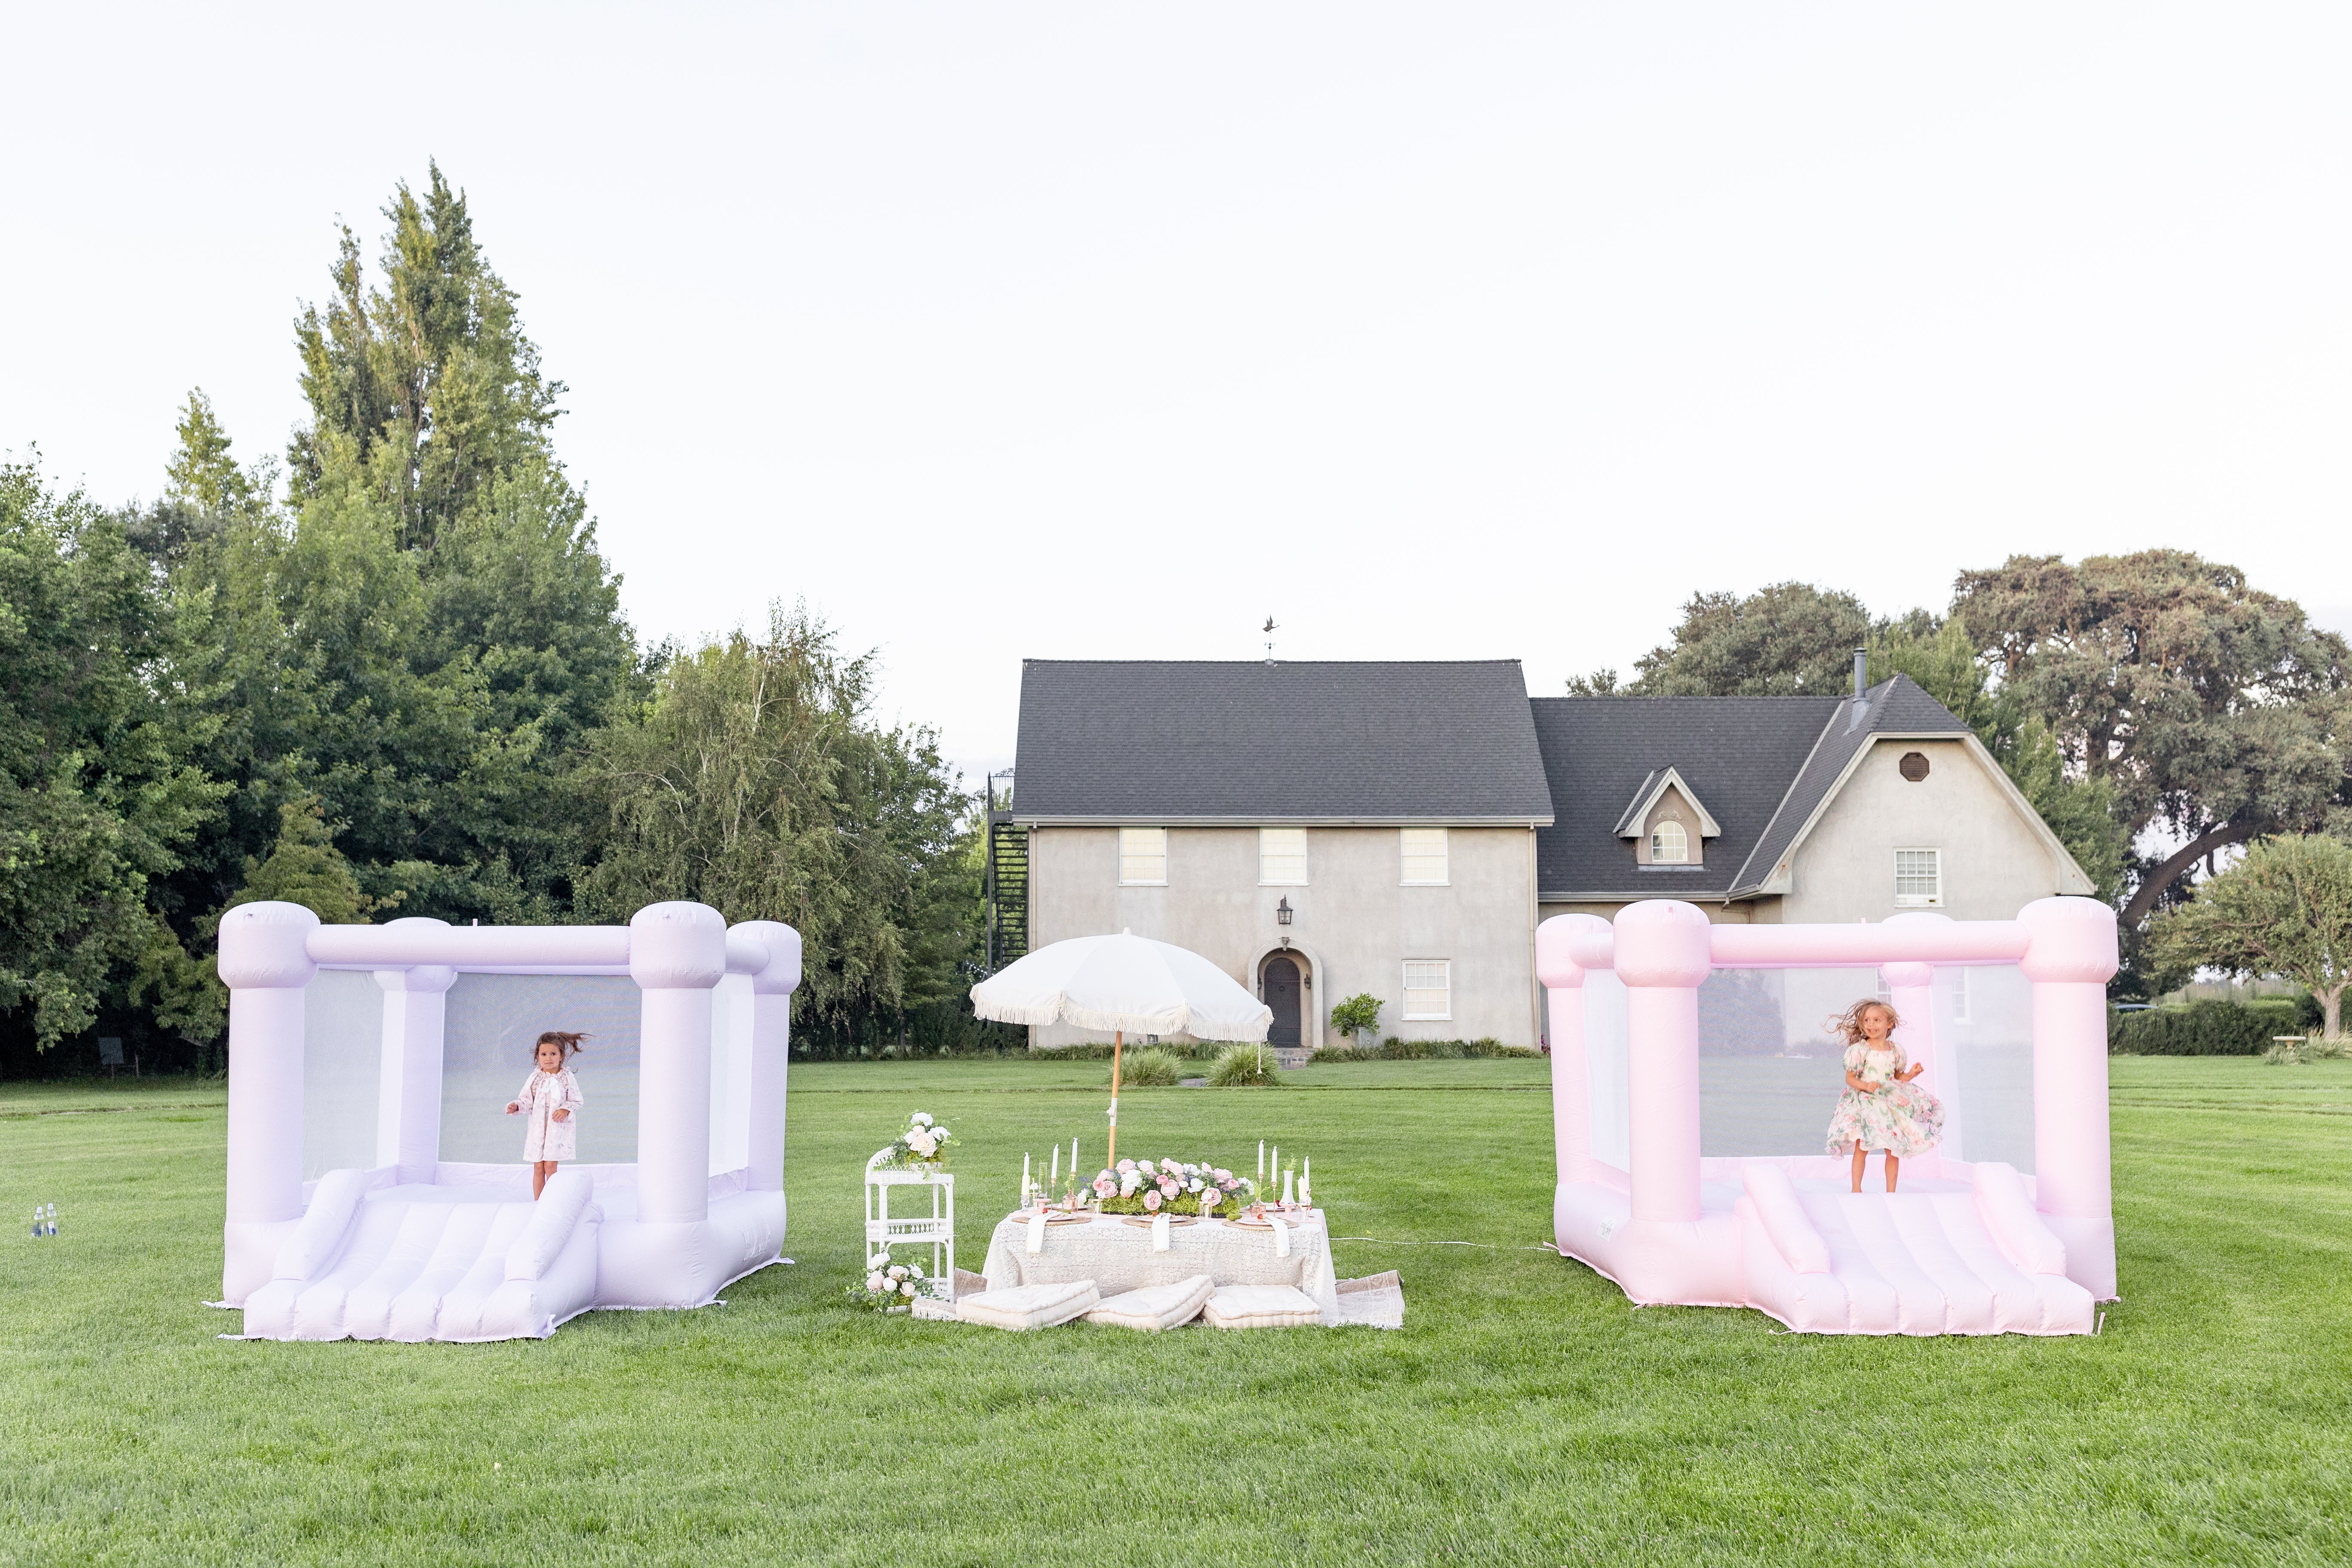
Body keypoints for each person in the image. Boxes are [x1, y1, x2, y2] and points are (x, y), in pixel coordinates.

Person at [1822, 1000, 1943, 1194]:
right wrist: (1866, 1086)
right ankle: (1856, 1189)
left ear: (1890, 1024)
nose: (1871, 1025)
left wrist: (1911, 1074)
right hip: (1866, 1104)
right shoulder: (1861, 1050)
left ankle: (1891, 1192)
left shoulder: (1895, 1051)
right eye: (1867, 1021)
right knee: (1862, 1147)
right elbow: (1850, 1078)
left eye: (1877, 1020)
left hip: (1888, 1104)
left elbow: (1897, 1078)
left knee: (1893, 1149)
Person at [505, 1031, 587, 1199]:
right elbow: (527, 1102)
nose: (548, 1058)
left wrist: (565, 1109)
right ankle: (538, 1202)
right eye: (544, 1054)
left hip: (557, 1128)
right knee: (538, 1167)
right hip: (538, 1129)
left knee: (550, 1166)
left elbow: (576, 1100)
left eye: (553, 1054)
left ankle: (552, 1200)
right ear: (538, 1056)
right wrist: (517, 1106)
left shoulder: (566, 1078)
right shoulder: (535, 1078)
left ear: (561, 1056)